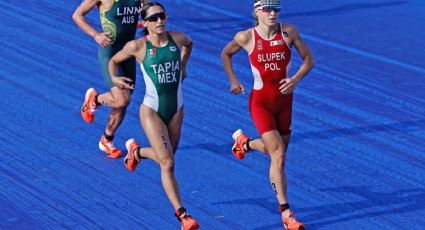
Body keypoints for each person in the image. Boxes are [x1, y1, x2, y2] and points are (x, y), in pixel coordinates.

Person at [221, 0, 314, 229]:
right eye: (267, 9)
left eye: (276, 9)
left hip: (285, 102)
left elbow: (309, 60)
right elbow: (226, 53)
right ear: (256, 12)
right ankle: (286, 213)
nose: (272, 13)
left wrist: (295, 80)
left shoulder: (288, 32)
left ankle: (246, 144)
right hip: (261, 103)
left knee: (277, 153)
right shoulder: (246, 37)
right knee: (279, 155)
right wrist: (233, 81)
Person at [108, 2, 199, 229]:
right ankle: (183, 215)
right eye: (154, 18)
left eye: (162, 16)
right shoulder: (137, 46)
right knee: (167, 163)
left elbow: (189, 44)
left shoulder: (177, 39)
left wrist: (184, 66)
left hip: (177, 108)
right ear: (145, 23)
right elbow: (113, 60)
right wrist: (115, 79)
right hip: (151, 110)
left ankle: (136, 152)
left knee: (166, 156)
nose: (160, 21)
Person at [72, 0, 147, 158]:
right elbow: (77, 15)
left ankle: (106, 139)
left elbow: (147, 14)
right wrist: (95, 35)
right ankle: (96, 99)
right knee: (122, 99)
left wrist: (145, 25)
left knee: (123, 101)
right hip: (110, 52)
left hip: (128, 53)